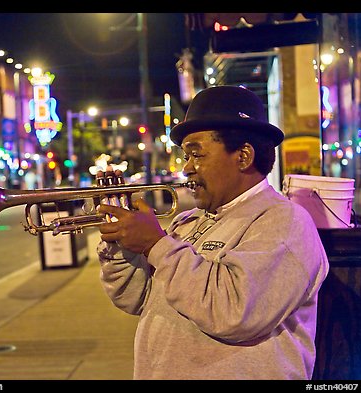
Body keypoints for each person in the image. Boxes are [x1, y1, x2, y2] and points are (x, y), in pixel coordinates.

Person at [95, 85, 329, 380]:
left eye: (197, 155)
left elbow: (235, 312)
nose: (187, 168)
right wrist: (122, 243)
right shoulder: (187, 222)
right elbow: (134, 298)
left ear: (243, 156)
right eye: (186, 156)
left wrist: (156, 244)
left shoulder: (284, 221)